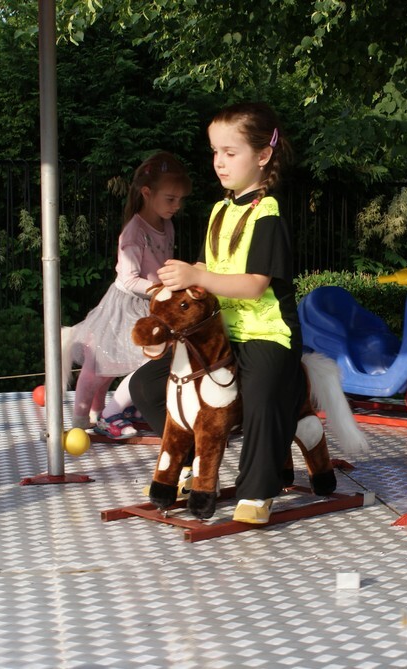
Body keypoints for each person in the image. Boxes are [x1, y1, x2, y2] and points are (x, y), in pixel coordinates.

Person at [129, 101, 300, 525]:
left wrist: (197, 275)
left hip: (266, 332)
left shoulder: (268, 213)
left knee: (261, 396)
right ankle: (191, 460)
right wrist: (182, 280)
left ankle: (257, 491)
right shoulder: (220, 210)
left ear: (262, 157)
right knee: (148, 386)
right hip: (221, 330)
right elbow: (213, 271)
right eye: (214, 152)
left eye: (230, 152)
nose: (219, 163)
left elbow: (254, 283)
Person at [64, 151, 192, 439]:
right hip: (126, 305)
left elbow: (161, 266)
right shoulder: (134, 233)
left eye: (180, 200)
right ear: (147, 193)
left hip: (151, 303)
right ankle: (84, 418)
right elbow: (129, 278)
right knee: (102, 362)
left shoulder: (166, 224)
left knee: (136, 361)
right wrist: (162, 288)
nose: (176, 206)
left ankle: (112, 411)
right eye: (170, 199)